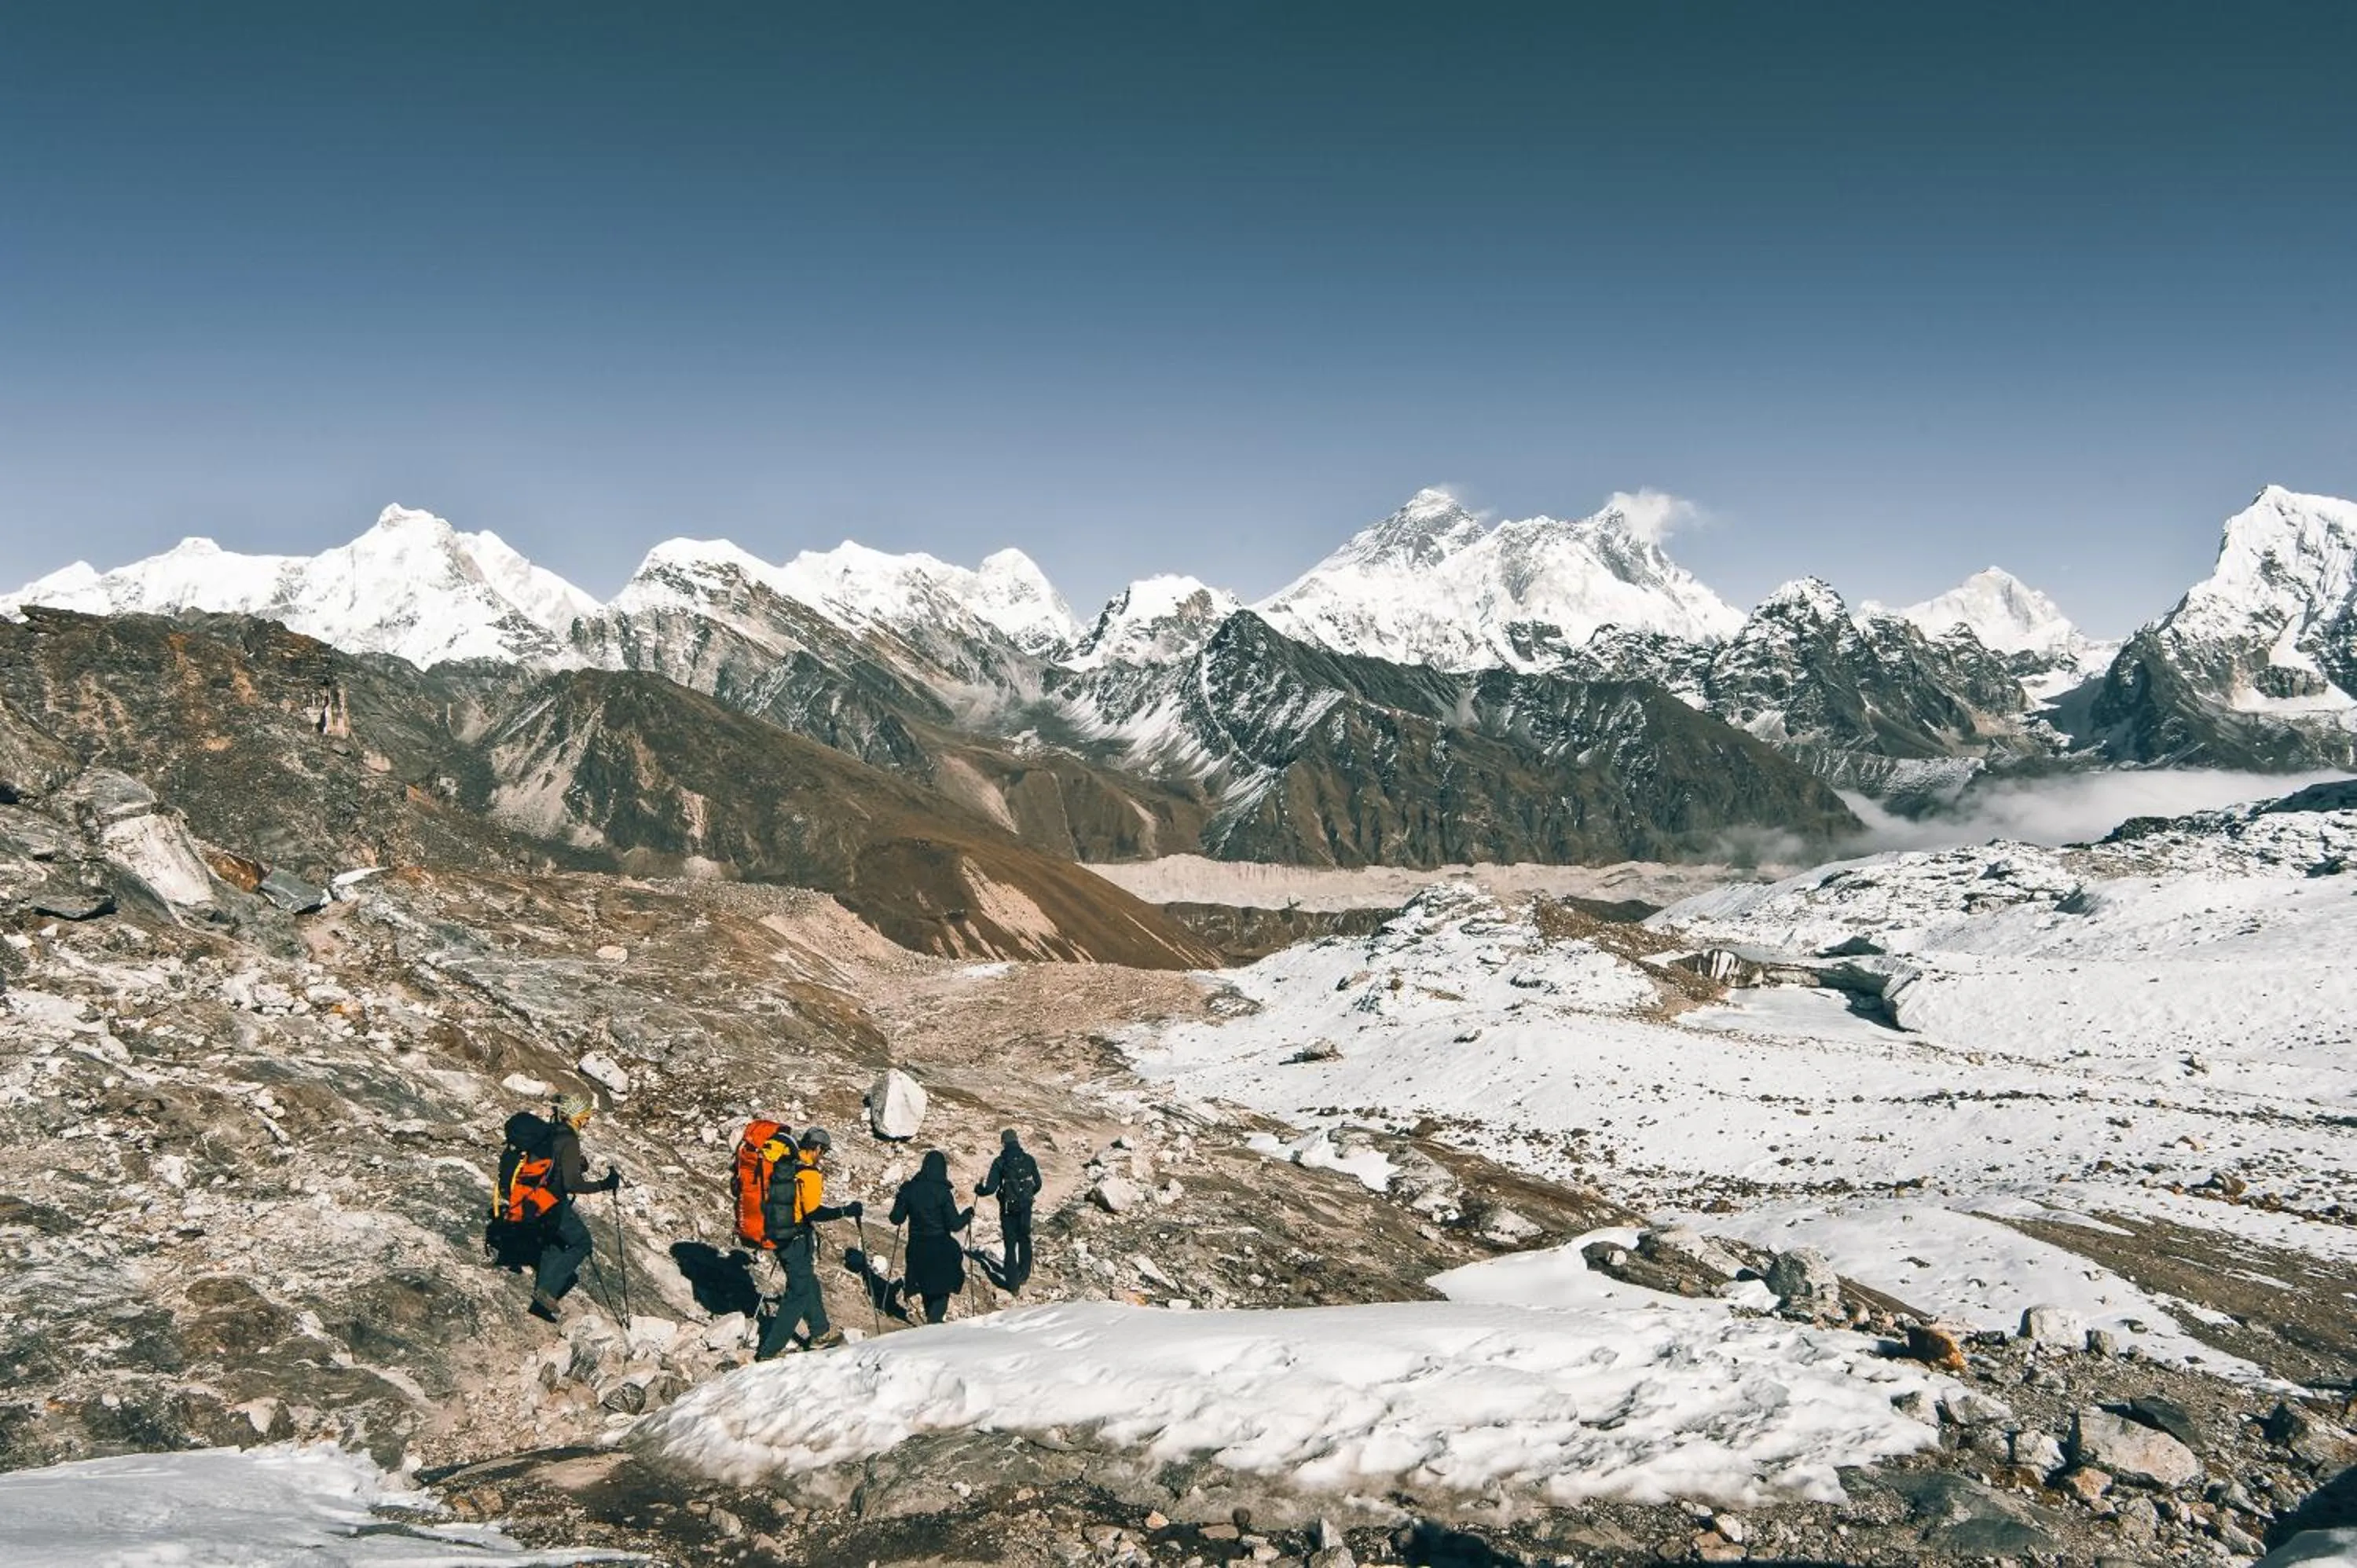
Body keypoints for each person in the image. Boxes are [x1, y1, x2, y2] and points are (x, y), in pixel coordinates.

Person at [754, 1127, 861, 1359]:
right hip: (797, 1240)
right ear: (818, 1149)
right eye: (823, 1152)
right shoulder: (809, 1174)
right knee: (797, 1294)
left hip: (778, 1235)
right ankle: (770, 1351)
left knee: (808, 1282)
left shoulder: (785, 1165)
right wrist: (844, 1211)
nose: (822, 1156)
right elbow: (813, 1212)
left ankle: (820, 1332)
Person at [530, 1094, 621, 1322]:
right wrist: (604, 1184)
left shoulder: (552, 1130)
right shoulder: (570, 1139)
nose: (588, 1121)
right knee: (582, 1242)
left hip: (534, 1197)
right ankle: (547, 1292)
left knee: (555, 1241)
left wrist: (575, 1164)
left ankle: (543, 1293)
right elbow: (572, 1184)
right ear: (579, 1117)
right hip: (553, 1200)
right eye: (587, 1117)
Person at [891, 1149, 973, 1324]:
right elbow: (955, 1224)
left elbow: (896, 1219)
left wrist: (901, 1198)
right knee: (943, 1286)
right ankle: (934, 1326)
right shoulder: (943, 1192)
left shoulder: (909, 1189)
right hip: (940, 1246)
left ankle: (932, 1323)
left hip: (917, 1247)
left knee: (926, 1286)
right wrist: (968, 1214)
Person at [975, 1127, 1042, 1293]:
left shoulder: (1000, 1162)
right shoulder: (1029, 1160)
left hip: (1008, 1209)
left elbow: (990, 1188)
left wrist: (979, 1190)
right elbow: (1038, 1183)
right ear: (1017, 1141)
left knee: (1010, 1245)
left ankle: (1013, 1285)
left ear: (1003, 1143)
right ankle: (1024, 1274)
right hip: (1026, 1207)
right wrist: (1027, 1196)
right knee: (1025, 1239)